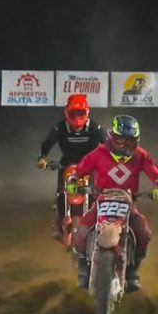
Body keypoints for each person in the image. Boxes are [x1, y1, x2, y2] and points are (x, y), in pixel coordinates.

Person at [69, 114, 158, 292]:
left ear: (136, 141)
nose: (123, 145)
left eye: (129, 141)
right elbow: (79, 170)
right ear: (110, 136)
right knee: (80, 231)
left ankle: (132, 272)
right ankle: (83, 269)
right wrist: (73, 181)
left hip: (128, 202)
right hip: (101, 199)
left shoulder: (141, 155)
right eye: (119, 139)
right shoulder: (99, 153)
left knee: (144, 233)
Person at [36, 94, 105, 238]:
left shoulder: (94, 127)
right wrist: (43, 157)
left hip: (90, 165)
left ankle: (99, 223)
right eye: (73, 113)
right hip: (67, 164)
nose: (77, 118)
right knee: (61, 195)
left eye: (80, 113)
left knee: (96, 194)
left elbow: (107, 143)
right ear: (66, 112)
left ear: (87, 112)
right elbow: (47, 143)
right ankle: (59, 223)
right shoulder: (60, 127)